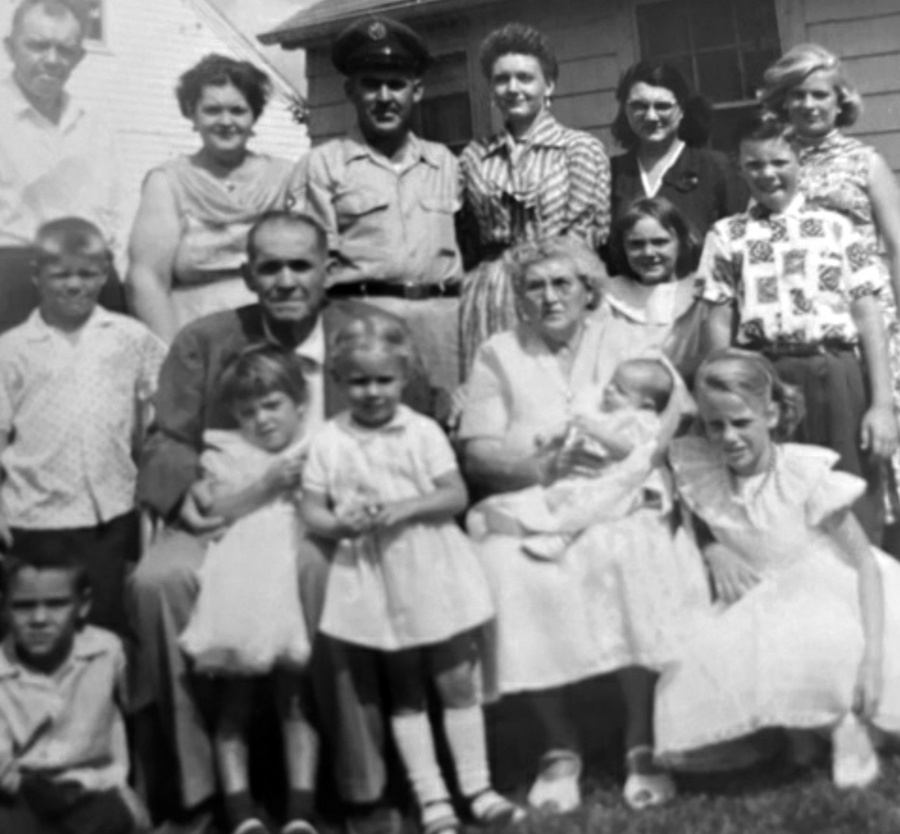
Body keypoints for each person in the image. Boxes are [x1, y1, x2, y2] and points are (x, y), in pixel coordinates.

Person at [130, 211, 430, 834]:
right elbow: (166, 438)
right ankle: (197, 793)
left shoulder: (369, 333)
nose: (286, 280)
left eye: (301, 265)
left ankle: (361, 784)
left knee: (322, 572)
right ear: (247, 275)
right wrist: (183, 486)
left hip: (335, 519)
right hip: (231, 513)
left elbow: (416, 426)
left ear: (328, 270)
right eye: (270, 267)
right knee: (158, 582)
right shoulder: (207, 341)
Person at [458, 236, 708, 812]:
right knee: (506, 563)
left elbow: (679, 414)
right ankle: (557, 745)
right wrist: (542, 469)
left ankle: (640, 736)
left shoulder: (627, 340)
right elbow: (478, 453)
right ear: (519, 297)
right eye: (534, 287)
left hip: (624, 494)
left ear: (588, 290)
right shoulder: (500, 351)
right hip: (537, 495)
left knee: (632, 552)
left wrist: (632, 463)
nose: (549, 297)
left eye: (562, 283)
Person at [302, 315, 520, 834]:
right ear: (339, 381)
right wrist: (339, 524)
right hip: (375, 575)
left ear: (403, 378)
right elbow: (312, 510)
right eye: (359, 381)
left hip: (431, 566)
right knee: (405, 689)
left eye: (384, 380)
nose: (373, 392)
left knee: (455, 680)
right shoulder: (330, 439)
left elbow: (454, 494)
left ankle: (478, 788)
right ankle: (432, 797)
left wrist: (405, 508)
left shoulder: (421, 431)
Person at [656, 349, 900, 788]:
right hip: (754, 594)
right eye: (715, 425)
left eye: (741, 422)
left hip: (828, 591)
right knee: (694, 659)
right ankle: (796, 733)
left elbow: (864, 563)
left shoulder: (802, 473)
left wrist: (873, 656)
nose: (729, 437)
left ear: (770, 414)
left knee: (819, 638)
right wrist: (712, 550)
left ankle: (845, 724)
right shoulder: (702, 470)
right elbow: (691, 515)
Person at [697, 112, 898, 543]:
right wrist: (726, 393)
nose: (767, 174)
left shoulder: (837, 228)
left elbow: (869, 317)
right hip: (765, 378)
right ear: (740, 168)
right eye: (754, 164)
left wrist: (882, 403)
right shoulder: (727, 235)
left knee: (848, 495)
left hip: (835, 373)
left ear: (799, 163)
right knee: (777, 502)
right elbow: (719, 320)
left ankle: (861, 580)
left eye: (778, 162)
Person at [0, 217, 165, 637]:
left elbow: (168, 396)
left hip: (108, 514)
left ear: (105, 273)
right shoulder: (12, 349)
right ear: (37, 275)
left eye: (87, 274)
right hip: (34, 513)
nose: (75, 285)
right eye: (61, 275)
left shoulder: (129, 337)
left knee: (104, 622)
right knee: (40, 624)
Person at [760, 44, 900, 539]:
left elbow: (896, 246)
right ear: (783, 101)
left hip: (869, 316)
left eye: (820, 94)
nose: (809, 104)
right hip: (806, 323)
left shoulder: (865, 162)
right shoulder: (773, 161)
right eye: (798, 95)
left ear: (841, 100)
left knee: (881, 434)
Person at [179, 346, 318, 834]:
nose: (261, 420)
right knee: (234, 705)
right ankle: (241, 815)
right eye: (248, 411)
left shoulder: (320, 444)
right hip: (240, 591)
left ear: (300, 403)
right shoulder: (229, 451)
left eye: (272, 405)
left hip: (290, 587)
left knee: (296, 701)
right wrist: (266, 485)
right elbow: (218, 510)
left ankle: (300, 812)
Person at [288, 16, 462, 401]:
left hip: (442, 328)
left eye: (396, 84)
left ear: (417, 91)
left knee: (443, 427)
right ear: (351, 90)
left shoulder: (445, 163)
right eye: (371, 84)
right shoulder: (323, 166)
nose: (385, 97)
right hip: (360, 325)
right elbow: (307, 269)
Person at [458, 23, 610, 374]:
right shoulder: (474, 156)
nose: (513, 88)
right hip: (490, 295)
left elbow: (584, 238)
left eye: (525, 78)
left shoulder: (579, 150)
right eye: (502, 79)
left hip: (557, 291)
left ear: (549, 85)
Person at [128, 55, 294, 343]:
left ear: (254, 116)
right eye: (212, 110)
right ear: (192, 115)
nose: (226, 121)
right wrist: (173, 355)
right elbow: (147, 278)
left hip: (273, 339)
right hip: (194, 341)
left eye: (238, 110)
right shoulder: (167, 182)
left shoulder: (286, 178)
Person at [469, 357, 679, 561]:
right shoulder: (603, 410)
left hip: (613, 484)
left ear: (646, 405)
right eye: (611, 382)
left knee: (585, 508)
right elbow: (573, 424)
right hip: (584, 476)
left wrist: (600, 433)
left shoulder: (641, 420)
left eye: (620, 391)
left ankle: (559, 539)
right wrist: (552, 434)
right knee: (557, 499)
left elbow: (630, 452)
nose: (609, 389)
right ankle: (522, 521)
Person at [0, 548, 147, 834]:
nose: (39, 619)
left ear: (83, 605)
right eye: (23, 606)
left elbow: (143, 721)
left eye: (56, 604)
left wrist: (138, 797)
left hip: (97, 792)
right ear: (4, 607)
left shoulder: (109, 652)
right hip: (24, 797)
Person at [0, 0, 126, 333]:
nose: (52, 60)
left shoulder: (95, 126)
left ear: (79, 57)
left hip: (90, 277)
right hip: (11, 278)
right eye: (37, 46)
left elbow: (113, 215)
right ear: (10, 48)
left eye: (65, 50)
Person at [607, 61, 746, 250]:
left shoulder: (715, 168)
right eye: (639, 106)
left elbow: (741, 241)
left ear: (682, 110)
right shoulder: (610, 173)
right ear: (625, 110)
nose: (651, 116)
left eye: (663, 106)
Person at [603, 196, 706, 381]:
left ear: (681, 243)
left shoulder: (701, 294)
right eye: (636, 244)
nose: (648, 252)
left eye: (660, 242)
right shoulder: (609, 296)